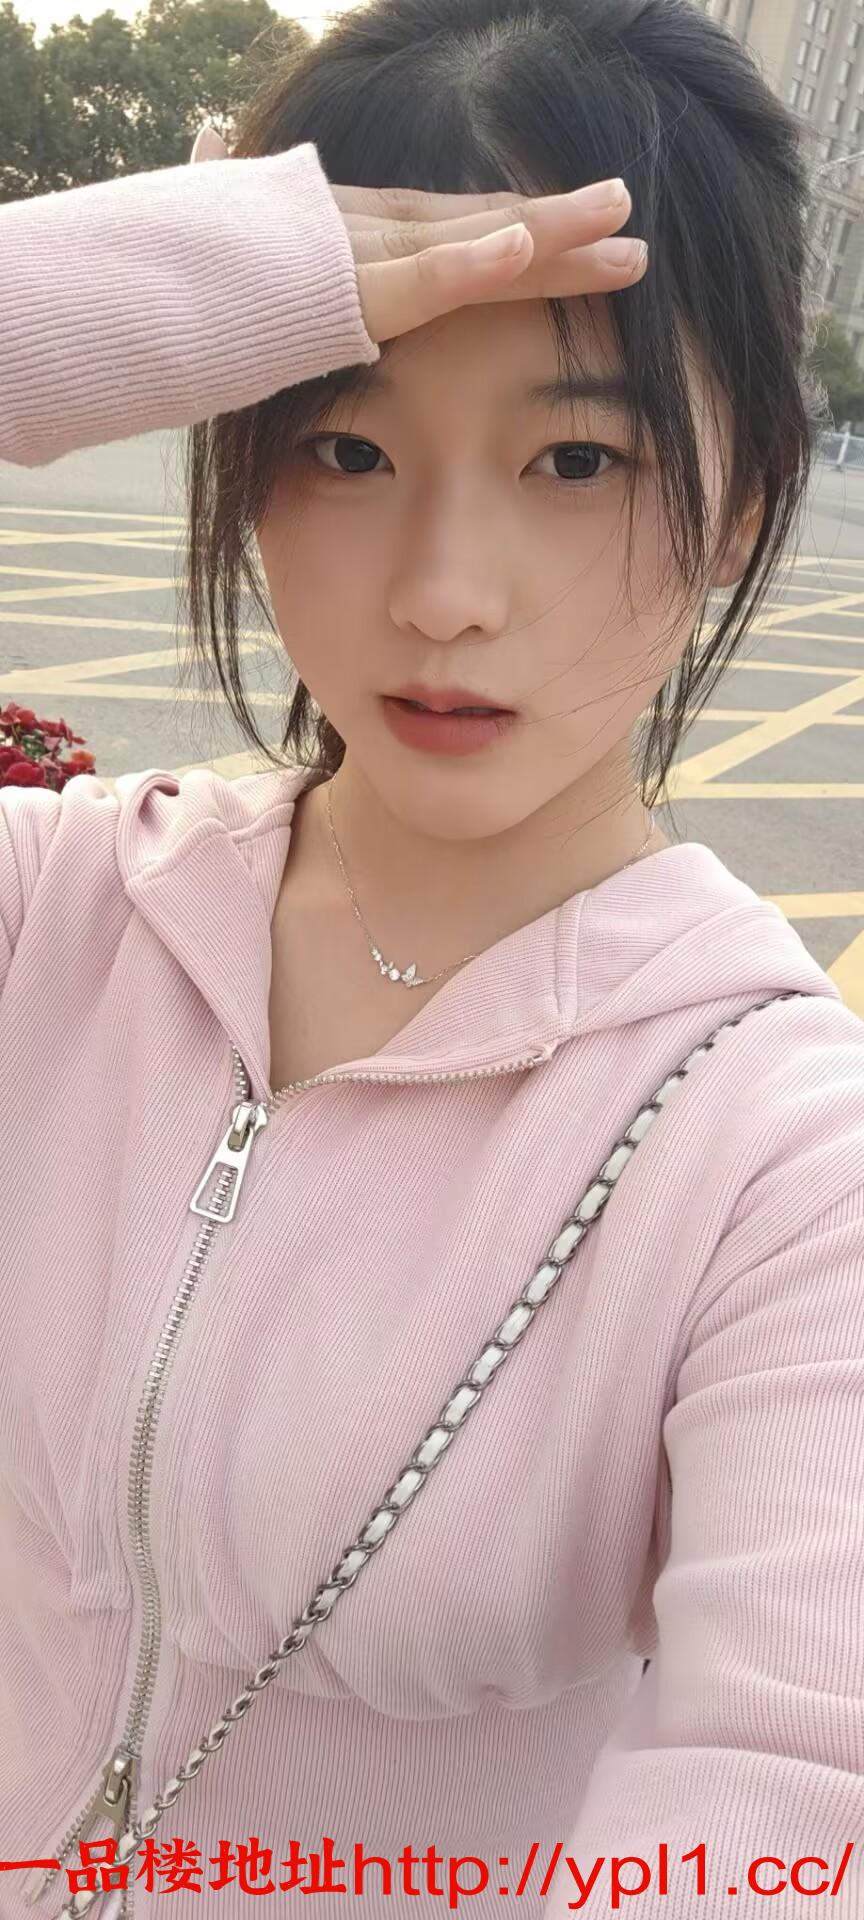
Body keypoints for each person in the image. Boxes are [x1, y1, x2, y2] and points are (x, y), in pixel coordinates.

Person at [1, 0, 863, 1914]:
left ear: (741, 503)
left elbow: (803, 1790)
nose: (445, 594)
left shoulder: (783, 1164)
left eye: (578, 460)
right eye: (344, 446)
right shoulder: (57, 915)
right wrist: (98, 301)